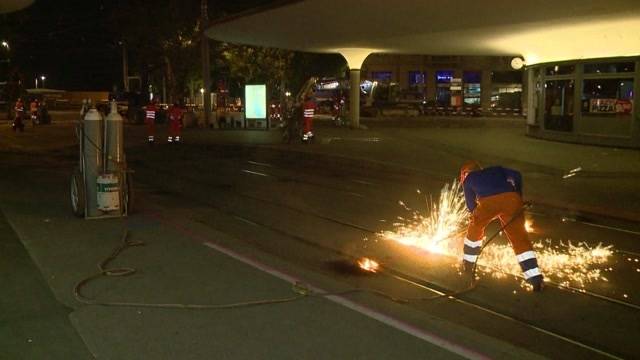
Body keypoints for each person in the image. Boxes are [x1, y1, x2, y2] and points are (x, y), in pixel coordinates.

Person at [460, 160, 544, 291]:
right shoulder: (496, 169)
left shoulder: (468, 179)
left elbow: (471, 207)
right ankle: (535, 279)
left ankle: (468, 264)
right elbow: (516, 175)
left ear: (465, 173)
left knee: (475, 229)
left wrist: (480, 217)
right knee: (519, 238)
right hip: (512, 200)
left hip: (488, 204)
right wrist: (518, 195)